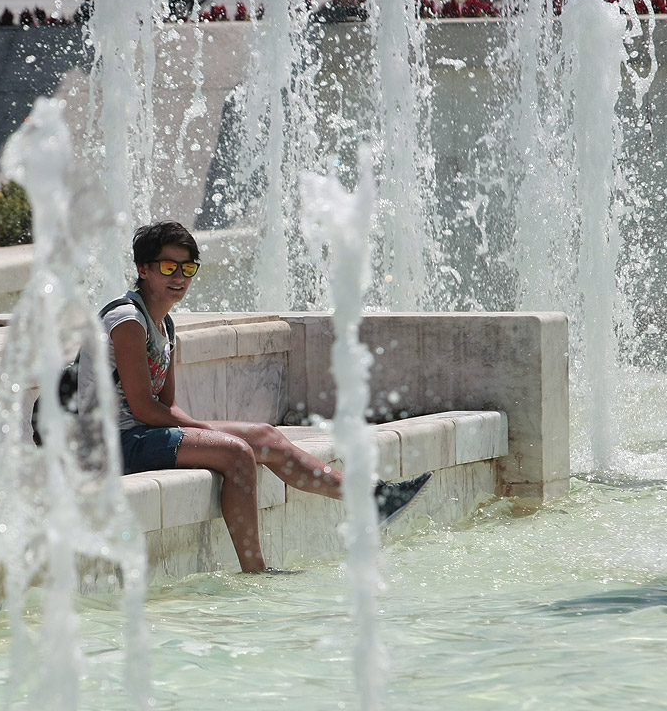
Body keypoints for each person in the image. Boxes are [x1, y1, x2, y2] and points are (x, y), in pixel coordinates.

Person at [78, 221, 430, 573]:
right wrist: (206, 430)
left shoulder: (165, 325)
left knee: (266, 435)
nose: (179, 277)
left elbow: (165, 405)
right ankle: (255, 570)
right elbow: (143, 407)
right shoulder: (127, 320)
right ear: (143, 269)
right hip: (113, 445)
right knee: (236, 452)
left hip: (141, 434)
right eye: (168, 267)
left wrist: (200, 428)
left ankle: (374, 498)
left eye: (188, 268)